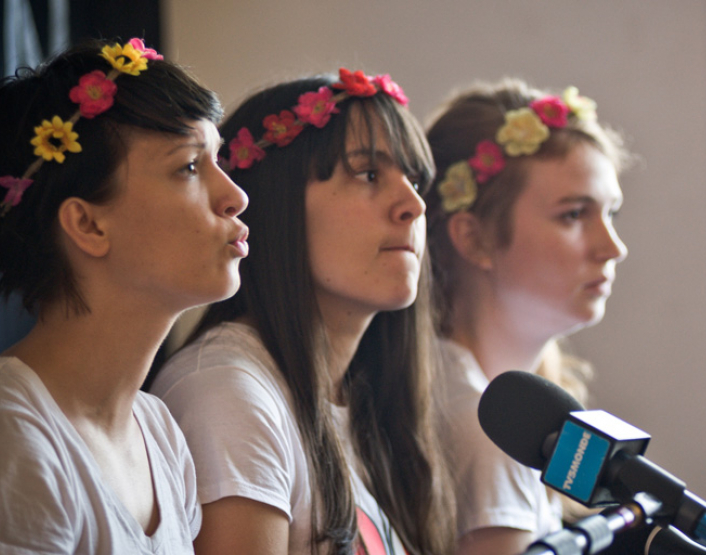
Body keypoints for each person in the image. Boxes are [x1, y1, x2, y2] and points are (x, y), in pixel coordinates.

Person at [149, 69, 455, 555]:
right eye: (369, 174)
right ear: (274, 201)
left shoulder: (368, 405)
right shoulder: (226, 393)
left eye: (415, 178)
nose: (413, 204)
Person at [0, 38, 248, 553]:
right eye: (189, 167)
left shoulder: (158, 433)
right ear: (88, 224)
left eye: (218, 161)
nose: (235, 196)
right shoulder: (15, 437)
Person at [423, 79, 630, 555]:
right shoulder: (485, 432)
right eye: (574, 215)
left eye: (611, 213)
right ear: (474, 238)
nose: (612, 248)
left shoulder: (461, 391)